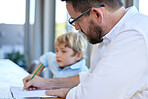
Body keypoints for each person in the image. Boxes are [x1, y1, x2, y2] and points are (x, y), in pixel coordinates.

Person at [23, 0, 148, 99]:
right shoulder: (106, 36)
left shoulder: (135, 35)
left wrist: (64, 93)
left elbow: (94, 95)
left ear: (97, 14)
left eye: (76, 20)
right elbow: (91, 77)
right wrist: (46, 83)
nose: (76, 28)